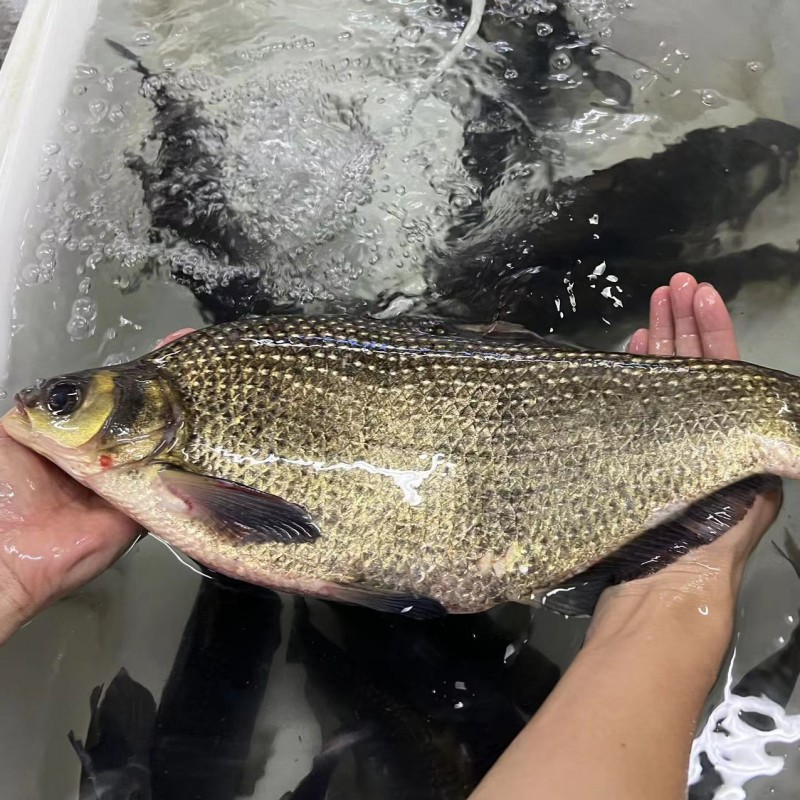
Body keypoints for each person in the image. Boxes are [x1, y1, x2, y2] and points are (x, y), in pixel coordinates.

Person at [0, 274, 782, 799]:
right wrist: (682, 591)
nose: (38, 407)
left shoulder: (170, 443)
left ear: (145, 408)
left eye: (66, 399)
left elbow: (271, 528)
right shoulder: (166, 437)